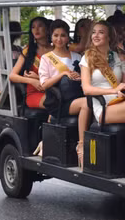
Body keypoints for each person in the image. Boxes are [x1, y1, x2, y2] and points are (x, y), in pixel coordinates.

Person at [77, 20, 125, 171]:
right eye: (94, 32)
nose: (96, 35)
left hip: (120, 100)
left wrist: (121, 90)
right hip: (103, 107)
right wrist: (113, 90)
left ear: (109, 37)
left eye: (101, 32)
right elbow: (86, 89)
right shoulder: (87, 57)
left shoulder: (119, 57)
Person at [33, 20, 89, 156]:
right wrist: (62, 74)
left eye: (63, 35)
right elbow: (44, 84)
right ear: (51, 37)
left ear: (68, 37)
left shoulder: (77, 56)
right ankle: (81, 145)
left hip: (76, 95)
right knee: (86, 104)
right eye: (56, 35)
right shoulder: (46, 58)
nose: (59, 39)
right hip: (59, 101)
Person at [9, 17, 51, 109]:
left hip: (53, 89)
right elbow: (12, 76)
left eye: (40, 26)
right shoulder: (28, 51)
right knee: (55, 101)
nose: (36, 29)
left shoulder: (55, 50)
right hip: (34, 93)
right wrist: (32, 81)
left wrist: (38, 77)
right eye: (33, 27)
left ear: (48, 29)